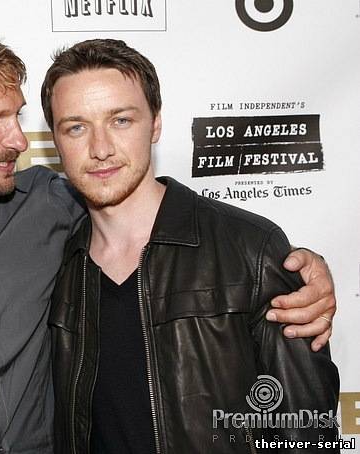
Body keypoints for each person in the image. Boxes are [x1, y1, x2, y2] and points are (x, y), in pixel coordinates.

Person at [0, 26, 334, 453]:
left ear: (155, 123)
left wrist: (298, 267)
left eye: (18, 117)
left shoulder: (49, 206)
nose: (19, 141)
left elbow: (304, 427)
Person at [42, 39, 340, 453]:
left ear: (155, 124)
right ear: (56, 141)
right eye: (76, 127)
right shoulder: (56, 266)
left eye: (121, 120)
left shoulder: (250, 250)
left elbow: (307, 434)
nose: (100, 148)